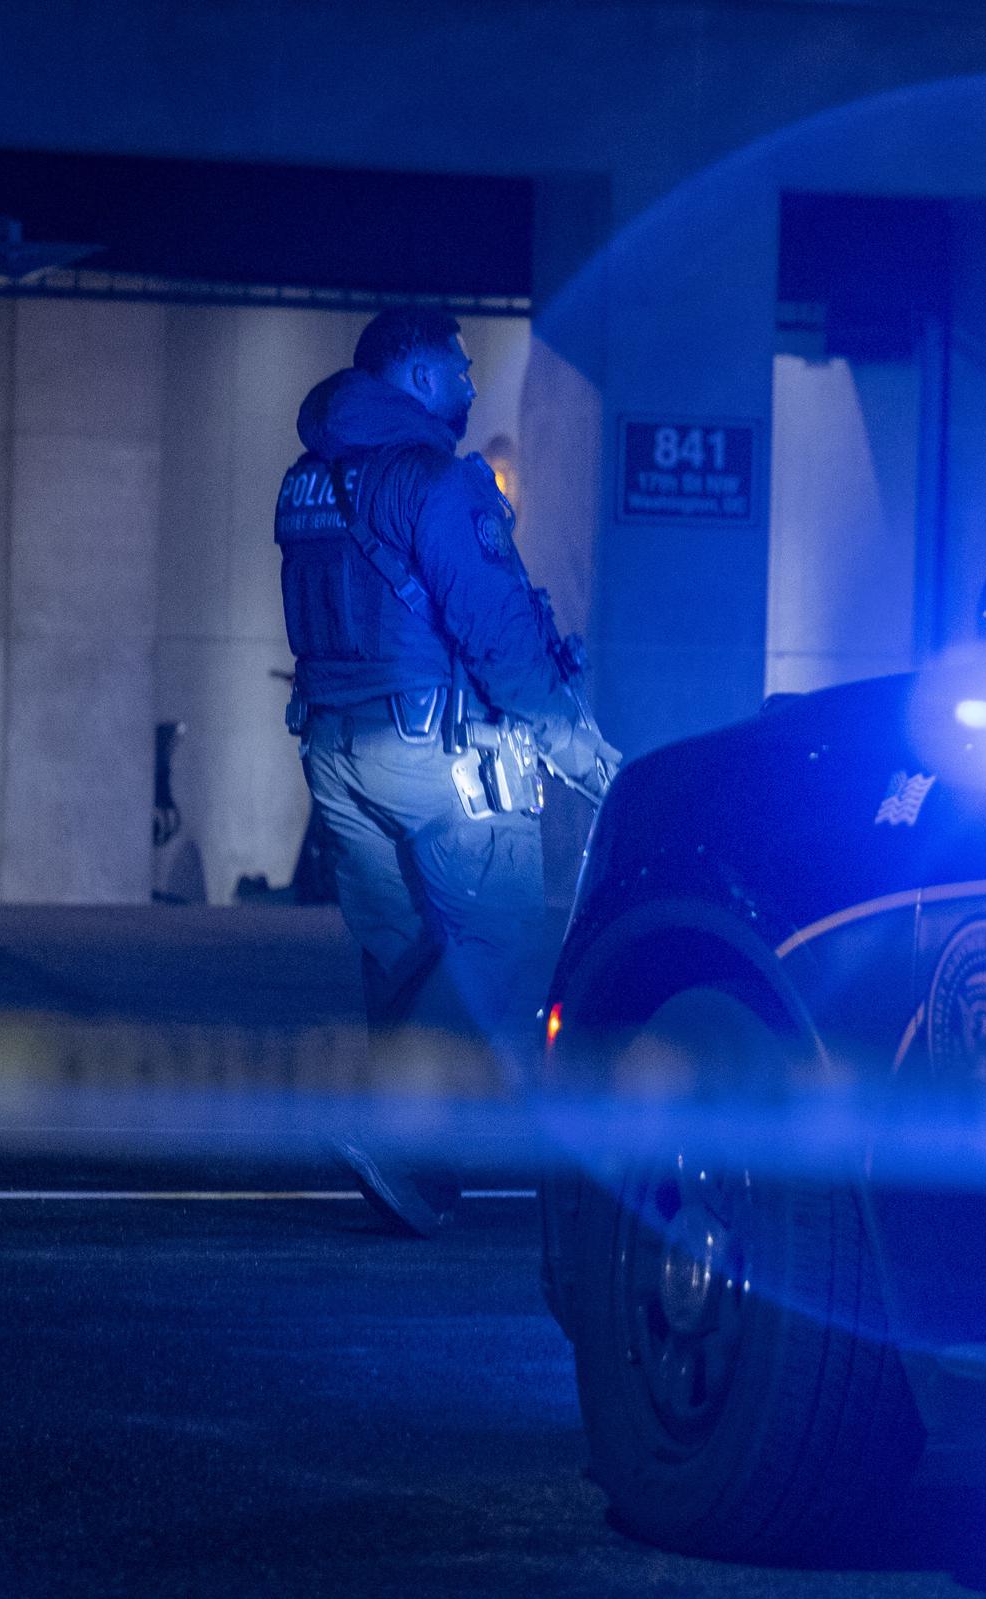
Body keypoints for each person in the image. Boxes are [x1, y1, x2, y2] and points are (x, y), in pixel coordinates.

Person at [275, 308, 618, 1236]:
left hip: (338, 752)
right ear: (418, 376)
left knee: (403, 951)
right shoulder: (431, 479)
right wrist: (584, 756)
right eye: (460, 371)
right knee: (497, 941)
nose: (472, 388)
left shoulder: (308, 478)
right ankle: (401, 1134)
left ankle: (414, 1173)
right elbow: (499, 633)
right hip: (434, 750)